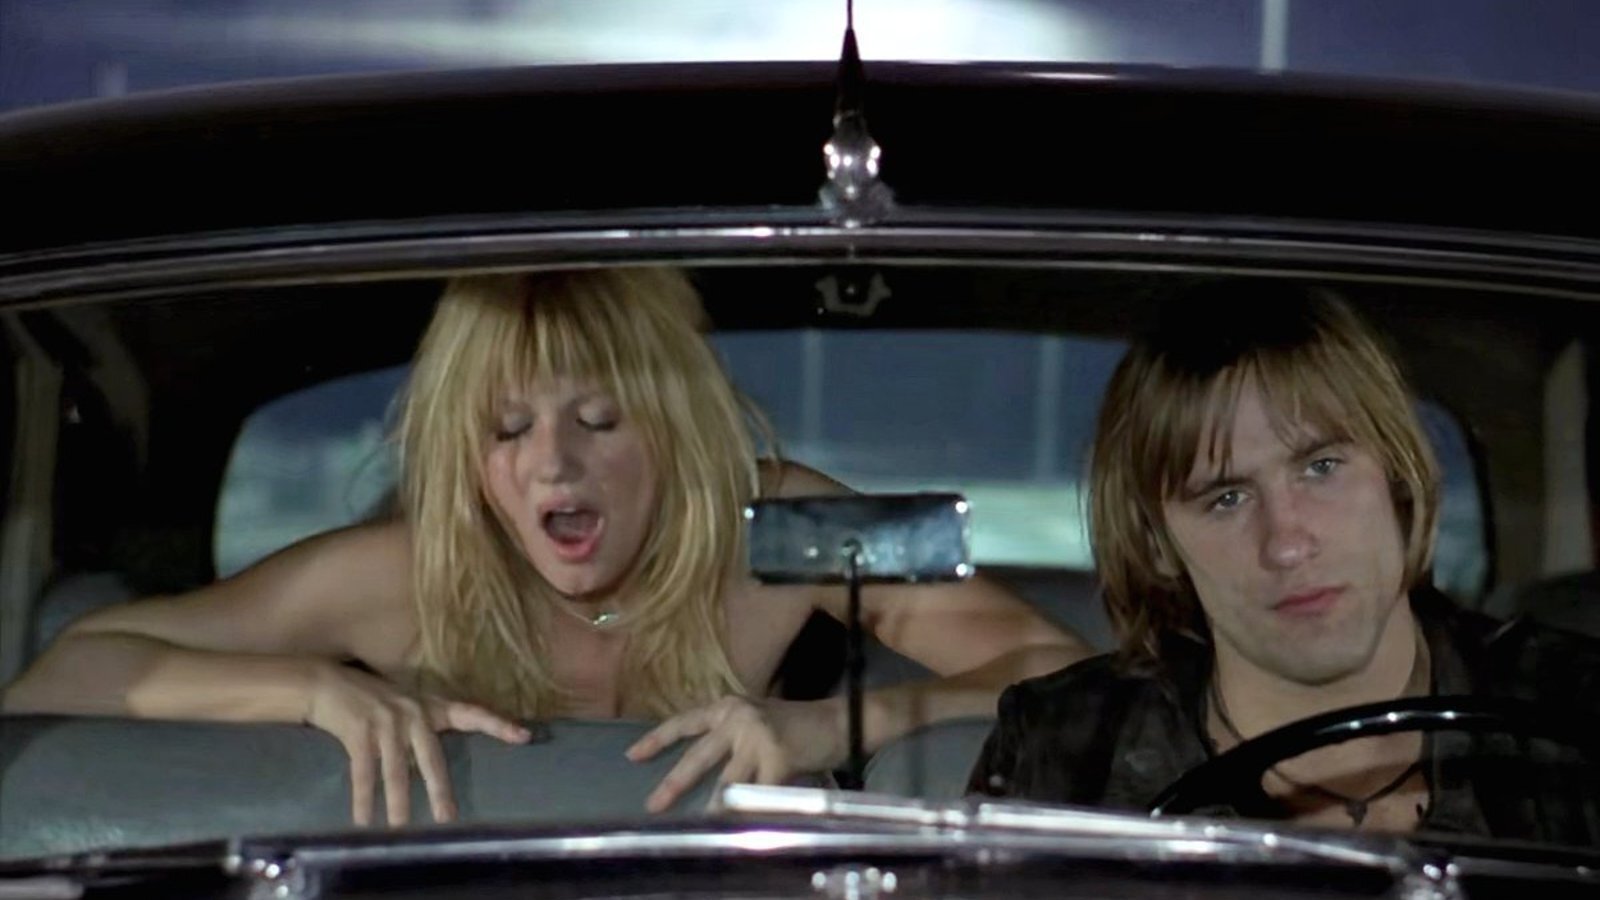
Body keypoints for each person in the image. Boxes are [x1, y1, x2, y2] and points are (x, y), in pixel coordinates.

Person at [2, 266, 1091, 827]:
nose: (552, 468)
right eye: (506, 430)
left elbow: (1063, 664)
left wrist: (837, 726)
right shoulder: (404, 570)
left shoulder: (783, 522)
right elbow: (66, 672)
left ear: (673, 426)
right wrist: (312, 691)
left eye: (599, 421)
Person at [967, 281, 1600, 844]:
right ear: (1158, 544)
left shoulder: (1573, 715)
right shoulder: (1065, 760)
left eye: (1322, 468)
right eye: (1226, 498)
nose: (1287, 544)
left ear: (1397, 473)